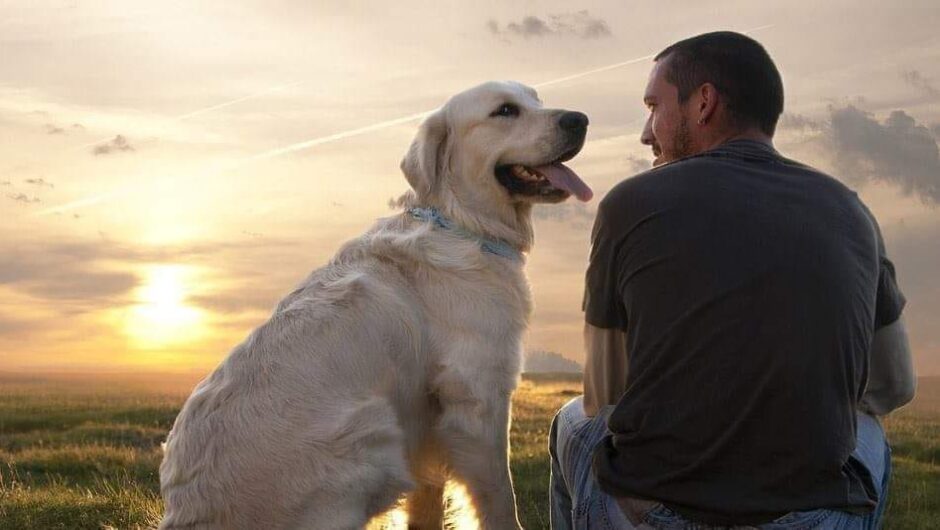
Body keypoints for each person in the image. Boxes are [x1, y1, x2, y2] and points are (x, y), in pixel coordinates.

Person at [549, 31, 917, 529]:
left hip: (658, 514)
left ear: (704, 102)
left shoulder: (629, 203)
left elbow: (604, 393)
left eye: (653, 106)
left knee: (573, 420)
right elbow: (894, 385)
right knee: (866, 429)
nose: (645, 133)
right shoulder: (851, 210)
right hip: (812, 518)